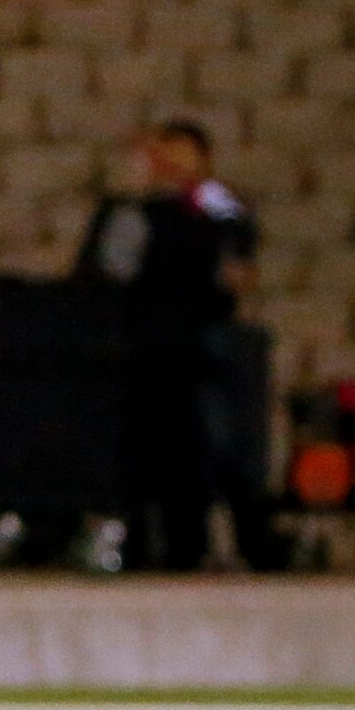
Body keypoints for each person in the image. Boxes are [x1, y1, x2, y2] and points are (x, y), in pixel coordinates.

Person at [76, 120, 267, 568]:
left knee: (213, 451)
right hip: (142, 349)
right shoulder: (133, 211)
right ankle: (141, 546)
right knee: (141, 454)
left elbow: (238, 233)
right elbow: (103, 269)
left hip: (199, 350)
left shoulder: (211, 205)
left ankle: (222, 545)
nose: (173, 165)